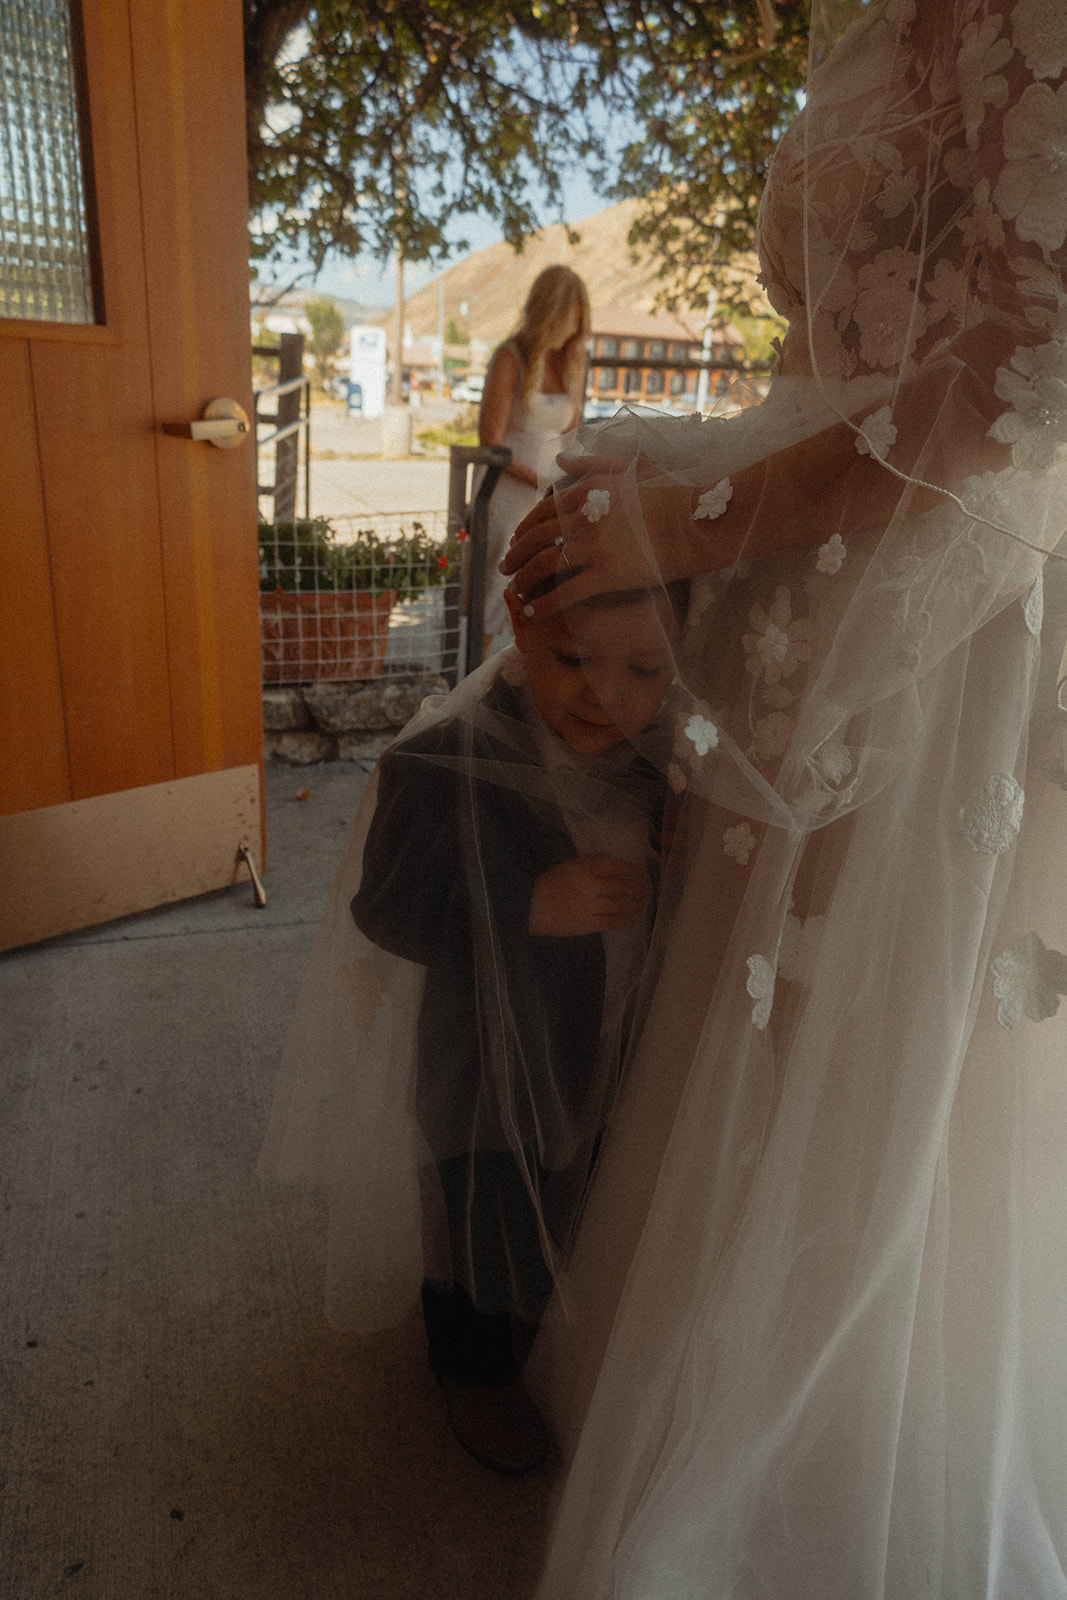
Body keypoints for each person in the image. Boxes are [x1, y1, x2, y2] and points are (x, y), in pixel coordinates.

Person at [500, 0, 1067, 1594]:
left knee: (898, 1067)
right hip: (805, 590)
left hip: (954, 620)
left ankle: (855, 1479)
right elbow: (842, 349)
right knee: (761, 1057)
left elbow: (1033, 356)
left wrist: (692, 516)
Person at [259, 578, 690, 1476]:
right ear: (521, 628)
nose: (603, 693)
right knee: (476, 1200)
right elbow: (387, 906)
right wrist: (527, 902)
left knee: (577, 1181)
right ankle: (471, 1369)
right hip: (485, 1052)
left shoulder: (663, 758)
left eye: (643, 669)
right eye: (572, 658)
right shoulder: (441, 758)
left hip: (607, 1026)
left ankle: (538, 1318)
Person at [474, 265, 590, 655]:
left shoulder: (570, 364)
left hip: (549, 492)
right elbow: (490, 438)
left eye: (580, 321)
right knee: (494, 587)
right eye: (570, 319)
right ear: (549, 312)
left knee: (545, 586)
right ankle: (470, 676)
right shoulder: (511, 358)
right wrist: (535, 480)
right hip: (507, 490)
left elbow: (571, 435)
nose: (575, 330)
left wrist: (564, 482)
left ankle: (525, 674)